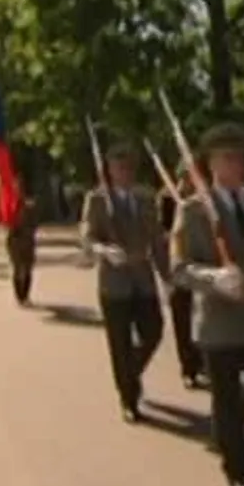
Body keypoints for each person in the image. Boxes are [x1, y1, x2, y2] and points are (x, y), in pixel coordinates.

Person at [170, 123, 244, 486]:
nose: (235, 165)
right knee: (225, 396)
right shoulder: (193, 210)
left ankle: (227, 427)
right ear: (211, 165)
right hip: (219, 324)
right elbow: (178, 268)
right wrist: (214, 277)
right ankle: (237, 468)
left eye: (238, 158)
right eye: (226, 158)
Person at [80, 141, 171, 422]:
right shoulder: (97, 199)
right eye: (119, 167)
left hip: (143, 279)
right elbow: (87, 237)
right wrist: (104, 250)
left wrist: (168, 276)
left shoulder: (146, 197)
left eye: (129, 167)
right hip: (114, 284)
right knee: (119, 343)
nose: (125, 172)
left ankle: (130, 371)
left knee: (154, 331)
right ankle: (128, 399)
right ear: (109, 170)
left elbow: (157, 239)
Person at [161, 169, 207, 388]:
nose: (185, 183)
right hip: (178, 267)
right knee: (182, 318)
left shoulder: (205, 202)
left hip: (203, 264)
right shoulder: (167, 198)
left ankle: (203, 356)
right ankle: (188, 367)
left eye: (190, 177)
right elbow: (161, 231)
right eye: (183, 177)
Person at [7, 191, 39, 306]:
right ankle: (20, 296)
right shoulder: (11, 207)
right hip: (15, 242)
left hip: (28, 242)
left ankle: (25, 295)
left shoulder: (30, 209)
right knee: (17, 268)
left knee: (27, 269)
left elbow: (35, 225)